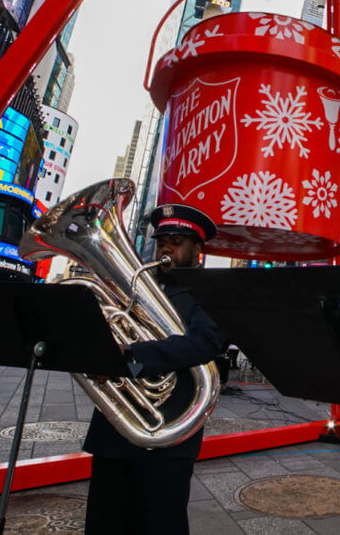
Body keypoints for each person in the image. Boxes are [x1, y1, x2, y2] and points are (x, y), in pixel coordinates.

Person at [83, 204, 224, 535]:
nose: (166, 248)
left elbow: (203, 343)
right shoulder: (133, 286)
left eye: (177, 241)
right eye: (162, 240)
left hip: (169, 433)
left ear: (197, 249)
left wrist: (131, 354)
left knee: (161, 524)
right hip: (115, 428)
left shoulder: (211, 292)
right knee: (104, 523)